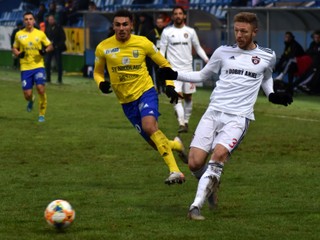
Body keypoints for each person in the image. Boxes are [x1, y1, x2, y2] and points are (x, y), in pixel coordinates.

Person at [158, 12, 293, 220]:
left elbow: (265, 75)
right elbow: (203, 75)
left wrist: (272, 94)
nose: (239, 35)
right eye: (236, 30)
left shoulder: (267, 55)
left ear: (254, 32)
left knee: (218, 156)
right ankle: (210, 185)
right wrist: (175, 74)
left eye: (244, 31)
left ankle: (195, 206)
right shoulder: (222, 52)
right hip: (213, 112)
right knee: (194, 163)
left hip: (238, 118)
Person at [93, 9, 187, 185]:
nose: (121, 28)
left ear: (132, 25)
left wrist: (169, 85)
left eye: (125, 24)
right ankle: (175, 145)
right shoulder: (103, 47)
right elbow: (97, 73)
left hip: (146, 92)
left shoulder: (143, 43)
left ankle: (175, 172)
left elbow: (164, 63)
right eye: (118, 25)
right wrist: (101, 83)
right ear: (113, 26)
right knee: (154, 142)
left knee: (150, 127)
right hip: (126, 102)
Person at [160, 6, 209, 134]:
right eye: (175, 14)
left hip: (188, 71)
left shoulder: (191, 31)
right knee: (177, 97)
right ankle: (181, 123)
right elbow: (162, 50)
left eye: (180, 13)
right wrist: (161, 65)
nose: (178, 16)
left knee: (188, 98)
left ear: (184, 16)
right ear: (172, 16)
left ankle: (186, 121)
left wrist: (206, 60)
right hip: (173, 71)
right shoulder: (166, 32)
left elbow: (198, 48)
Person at [12, 11, 53, 122]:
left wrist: (44, 51)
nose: (29, 21)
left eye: (30, 19)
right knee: (27, 94)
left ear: (34, 20)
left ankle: (41, 114)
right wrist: (18, 54)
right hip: (25, 68)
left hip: (38, 66)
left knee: (40, 88)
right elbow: (14, 48)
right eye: (26, 19)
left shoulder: (40, 34)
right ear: (24, 21)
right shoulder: (19, 34)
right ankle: (31, 100)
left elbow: (50, 46)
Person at [146, 15, 167, 94]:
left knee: (165, 72)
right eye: (158, 22)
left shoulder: (166, 32)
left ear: (164, 23)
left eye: (161, 22)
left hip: (165, 56)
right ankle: (158, 88)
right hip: (155, 56)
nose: (160, 24)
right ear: (156, 23)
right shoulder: (152, 32)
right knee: (156, 72)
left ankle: (165, 87)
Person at [45, 14, 67, 84]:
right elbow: (44, 37)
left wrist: (57, 45)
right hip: (50, 48)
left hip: (57, 48)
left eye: (52, 19)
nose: (50, 21)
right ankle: (48, 78)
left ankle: (59, 79)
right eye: (49, 20)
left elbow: (63, 38)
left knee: (59, 63)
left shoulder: (59, 27)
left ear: (54, 20)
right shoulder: (47, 28)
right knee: (47, 62)